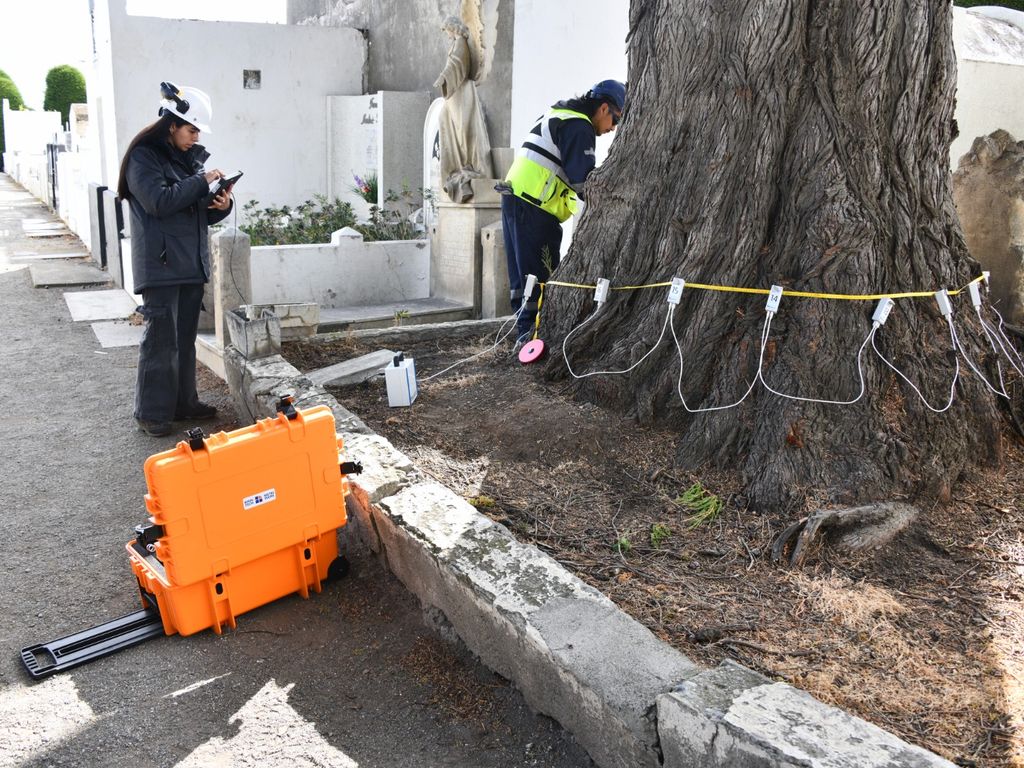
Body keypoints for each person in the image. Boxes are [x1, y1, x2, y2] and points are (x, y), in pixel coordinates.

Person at [116, 82, 233, 437]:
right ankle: (151, 413)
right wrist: (200, 181)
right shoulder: (143, 158)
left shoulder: (185, 161)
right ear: (172, 124)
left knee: (183, 340)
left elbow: (193, 211)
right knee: (160, 341)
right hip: (161, 265)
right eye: (192, 129)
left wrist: (220, 205)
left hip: (187, 264)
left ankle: (184, 404)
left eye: (199, 131)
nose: (196, 137)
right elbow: (159, 202)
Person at [499, 79, 626, 342]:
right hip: (534, 208)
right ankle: (531, 338)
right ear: (604, 108)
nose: (613, 128)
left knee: (523, 277)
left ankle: (524, 331)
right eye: (615, 120)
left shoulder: (559, 113)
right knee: (539, 275)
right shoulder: (579, 126)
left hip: (516, 199)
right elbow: (583, 183)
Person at [433, 15, 493, 203]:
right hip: (454, 93)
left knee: (463, 128)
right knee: (449, 122)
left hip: (461, 91)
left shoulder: (461, 44)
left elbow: (457, 65)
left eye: (448, 30)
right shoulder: (456, 43)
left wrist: (443, 77)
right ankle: (458, 165)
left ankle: (468, 163)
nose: (447, 34)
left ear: (454, 28)